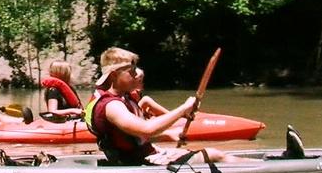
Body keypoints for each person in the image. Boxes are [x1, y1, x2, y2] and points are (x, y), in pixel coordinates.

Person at [88, 47, 237, 166]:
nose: (135, 76)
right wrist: (182, 109)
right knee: (214, 155)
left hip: (145, 155)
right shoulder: (112, 105)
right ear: (114, 75)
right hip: (136, 162)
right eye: (131, 72)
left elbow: (134, 136)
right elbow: (147, 129)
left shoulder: (123, 98)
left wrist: (169, 134)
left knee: (213, 153)